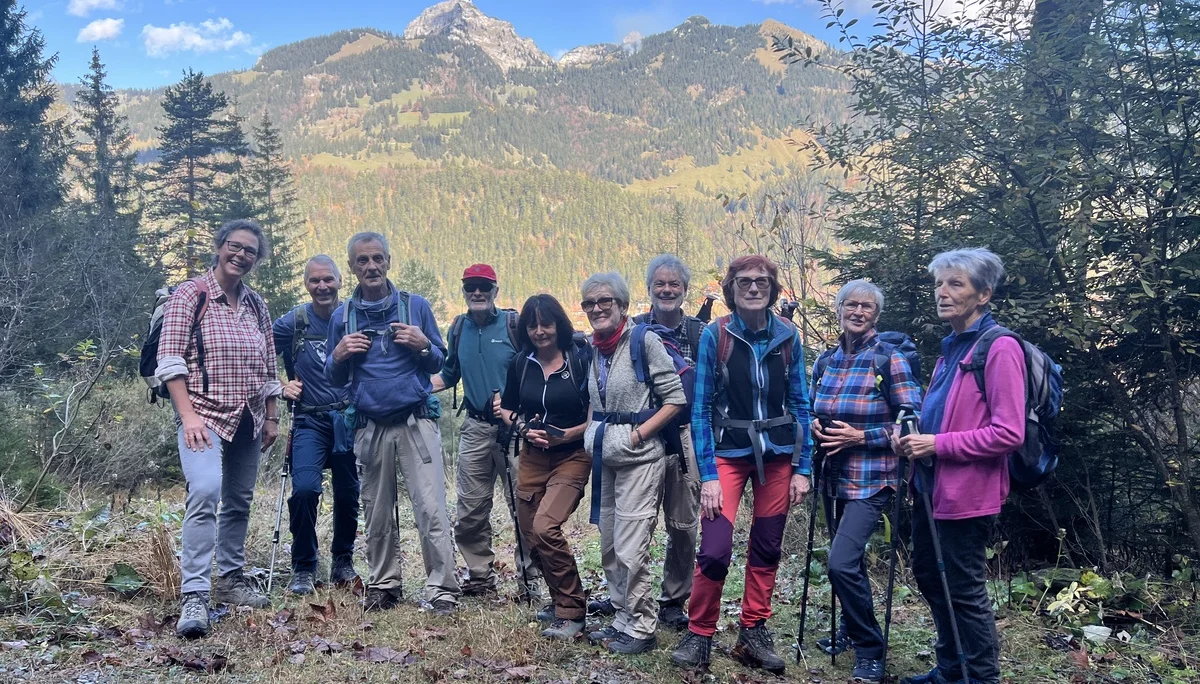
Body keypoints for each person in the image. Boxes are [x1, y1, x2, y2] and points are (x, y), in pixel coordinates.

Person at [670, 255, 812, 675]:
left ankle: (753, 631)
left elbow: (801, 403)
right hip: (727, 452)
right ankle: (700, 633)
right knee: (714, 549)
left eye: (762, 281)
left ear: (773, 288)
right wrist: (708, 476)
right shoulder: (716, 335)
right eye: (745, 281)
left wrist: (804, 467)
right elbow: (700, 409)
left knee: (767, 545)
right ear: (731, 288)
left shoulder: (788, 336)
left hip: (778, 453)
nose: (753, 287)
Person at [895, 248, 1024, 684]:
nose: (943, 293)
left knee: (964, 590)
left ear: (983, 294)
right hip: (930, 487)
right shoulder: (951, 349)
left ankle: (981, 677)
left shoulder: (999, 348)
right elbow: (944, 417)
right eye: (939, 284)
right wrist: (909, 438)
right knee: (931, 577)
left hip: (968, 494)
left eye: (955, 284)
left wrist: (937, 444)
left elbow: (1008, 432)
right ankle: (952, 670)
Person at [156, 219, 282, 639]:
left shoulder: (256, 304)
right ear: (220, 246)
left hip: (249, 416)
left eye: (250, 251)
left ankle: (230, 579)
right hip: (202, 415)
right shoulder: (191, 294)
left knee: (239, 500)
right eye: (235, 246)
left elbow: (269, 366)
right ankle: (195, 594)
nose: (241, 255)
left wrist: (271, 415)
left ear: (257, 259)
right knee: (206, 489)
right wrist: (188, 416)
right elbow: (170, 360)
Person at [325, 232, 458, 614]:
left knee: (430, 508)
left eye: (377, 258)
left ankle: (442, 589)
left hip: (416, 421)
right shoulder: (342, 317)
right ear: (352, 267)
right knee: (377, 510)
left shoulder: (415, 307)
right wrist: (338, 355)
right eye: (363, 260)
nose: (371, 266)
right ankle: (384, 585)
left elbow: (440, 362)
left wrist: (423, 344)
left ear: (388, 261)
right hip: (370, 426)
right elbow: (333, 377)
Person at [809, 279, 923, 683]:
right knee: (850, 561)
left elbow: (912, 421)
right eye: (851, 305)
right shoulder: (826, 360)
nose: (858, 312)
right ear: (839, 309)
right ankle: (850, 629)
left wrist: (861, 437)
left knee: (840, 563)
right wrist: (813, 426)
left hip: (873, 479)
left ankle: (871, 649)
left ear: (877, 314)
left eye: (867, 307)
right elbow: (811, 407)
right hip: (832, 476)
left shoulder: (889, 359)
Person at [581, 272, 686, 655]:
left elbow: (675, 399)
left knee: (631, 545)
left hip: (640, 458)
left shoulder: (644, 341)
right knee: (609, 542)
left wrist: (638, 435)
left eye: (604, 301)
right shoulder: (596, 347)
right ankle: (622, 617)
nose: (597, 309)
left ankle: (642, 627)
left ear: (622, 305)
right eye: (589, 303)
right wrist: (591, 434)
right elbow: (597, 401)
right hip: (606, 457)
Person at [430, 264, 540, 600]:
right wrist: (406, 389)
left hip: (515, 428)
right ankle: (479, 577)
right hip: (475, 426)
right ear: (463, 291)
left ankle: (530, 580)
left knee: (524, 505)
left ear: (495, 290)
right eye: (471, 287)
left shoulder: (512, 325)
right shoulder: (458, 328)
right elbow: (449, 373)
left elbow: (537, 370)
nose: (477, 292)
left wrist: (514, 402)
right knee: (470, 508)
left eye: (484, 286)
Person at [493, 294, 592, 640]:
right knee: (531, 533)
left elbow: (596, 413)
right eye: (532, 325)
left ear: (558, 325)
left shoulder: (580, 360)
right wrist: (521, 427)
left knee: (546, 526)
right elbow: (506, 408)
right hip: (533, 457)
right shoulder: (521, 363)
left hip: (573, 456)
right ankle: (558, 598)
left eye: (546, 324)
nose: (539, 332)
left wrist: (569, 435)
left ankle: (572, 611)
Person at [619, 254, 702, 630]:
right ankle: (629, 596)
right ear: (649, 288)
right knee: (634, 522)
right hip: (643, 435)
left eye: (674, 284)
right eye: (660, 284)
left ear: (685, 289)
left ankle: (673, 599)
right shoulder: (633, 330)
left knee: (683, 524)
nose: (667, 290)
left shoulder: (701, 333)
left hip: (684, 437)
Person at [272, 255, 361, 595]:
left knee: (348, 493)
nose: (322, 286)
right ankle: (304, 566)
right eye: (315, 281)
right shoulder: (293, 322)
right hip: (308, 420)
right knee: (305, 490)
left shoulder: (354, 316)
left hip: (349, 419)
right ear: (306, 284)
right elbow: (257, 353)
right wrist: (279, 386)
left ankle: (343, 560)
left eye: (328, 280)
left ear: (340, 281)